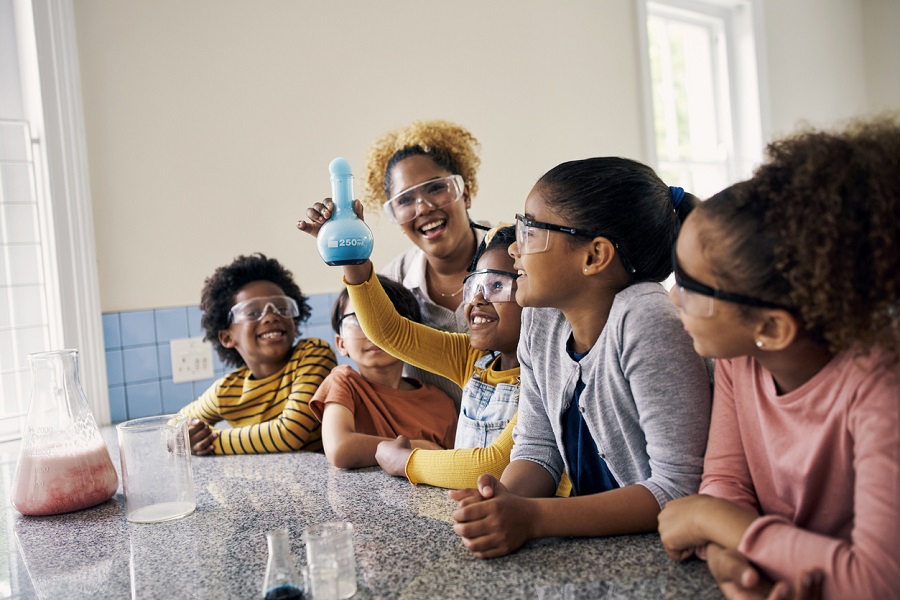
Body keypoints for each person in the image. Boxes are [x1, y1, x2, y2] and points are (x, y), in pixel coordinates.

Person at [657, 117, 900, 599]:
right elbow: (726, 480)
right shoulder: (739, 356)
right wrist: (733, 560)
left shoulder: (882, 389)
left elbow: (876, 581)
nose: (672, 298)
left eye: (690, 287)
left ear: (772, 326)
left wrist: (712, 521)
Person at [449, 157, 712, 558]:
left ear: (594, 256)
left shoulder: (646, 320)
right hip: (596, 554)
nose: (515, 248)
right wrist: (501, 501)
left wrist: (535, 519)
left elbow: (678, 488)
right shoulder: (540, 321)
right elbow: (537, 448)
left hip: (664, 556)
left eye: (530, 231)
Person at [362, 119, 490, 403]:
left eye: (435, 188)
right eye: (405, 200)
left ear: (465, 193)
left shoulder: (514, 257)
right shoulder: (392, 281)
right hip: (434, 444)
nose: (423, 207)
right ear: (395, 216)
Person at [179, 253, 336, 455]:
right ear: (227, 337)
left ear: (295, 323)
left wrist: (209, 443)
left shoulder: (313, 355)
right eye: (252, 313)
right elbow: (174, 424)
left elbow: (289, 434)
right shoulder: (227, 391)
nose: (271, 316)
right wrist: (180, 440)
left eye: (281, 308)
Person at [307, 275, 458, 469]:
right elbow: (340, 449)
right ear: (341, 343)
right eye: (359, 320)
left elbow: (454, 466)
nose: (374, 332)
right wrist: (417, 447)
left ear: (414, 334)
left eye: (389, 320)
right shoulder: (344, 383)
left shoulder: (440, 403)